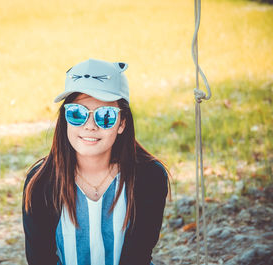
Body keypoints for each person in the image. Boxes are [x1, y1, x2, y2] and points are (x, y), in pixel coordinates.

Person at [22, 58, 170, 265]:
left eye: (105, 115)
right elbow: (40, 259)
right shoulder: (41, 182)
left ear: (122, 123)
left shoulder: (149, 176)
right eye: (77, 114)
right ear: (64, 119)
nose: (90, 126)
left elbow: (138, 257)